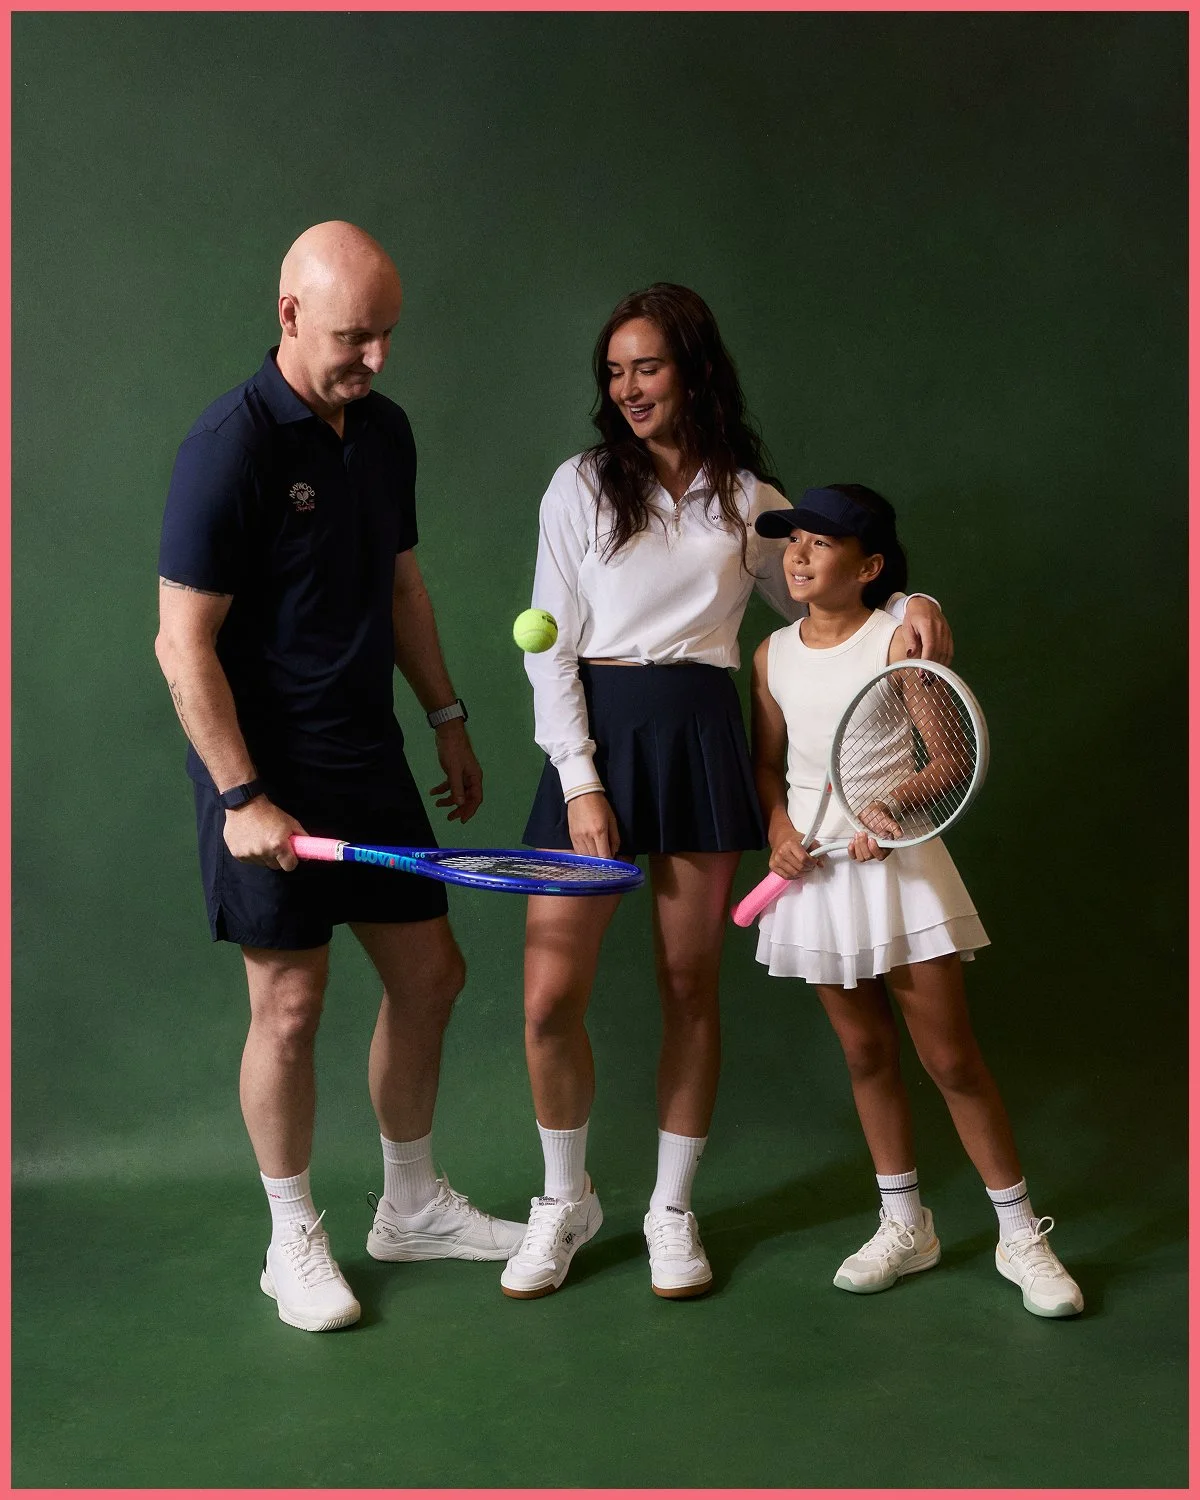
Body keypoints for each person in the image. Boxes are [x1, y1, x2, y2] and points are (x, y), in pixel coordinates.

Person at [499, 284, 952, 1301]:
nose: (627, 389)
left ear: (693, 371)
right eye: (613, 373)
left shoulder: (750, 500)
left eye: (647, 367)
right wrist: (580, 781)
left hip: (702, 737)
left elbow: (829, 580)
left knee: (688, 985)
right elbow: (548, 647)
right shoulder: (576, 485)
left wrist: (919, 597)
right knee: (545, 1001)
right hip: (597, 744)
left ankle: (671, 1211)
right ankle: (563, 1202)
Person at [154, 221, 524, 1335]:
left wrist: (447, 716)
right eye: (355, 337)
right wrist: (239, 797)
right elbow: (182, 644)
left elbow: (402, 586)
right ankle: (292, 1238)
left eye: (386, 336)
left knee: (433, 976)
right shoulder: (230, 446)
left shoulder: (384, 432)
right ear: (289, 317)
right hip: (264, 773)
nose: (375, 359)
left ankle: (410, 1205)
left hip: (367, 753)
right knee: (292, 1006)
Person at [748, 482, 1083, 1318]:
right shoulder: (770, 655)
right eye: (793, 540)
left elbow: (948, 757)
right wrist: (778, 829)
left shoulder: (899, 644)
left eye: (819, 544)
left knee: (951, 1060)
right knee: (866, 1056)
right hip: (818, 879)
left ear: (868, 568)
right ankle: (907, 1226)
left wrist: (892, 806)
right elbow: (767, 765)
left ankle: (1020, 1237)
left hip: (899, 872)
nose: (797, 554)